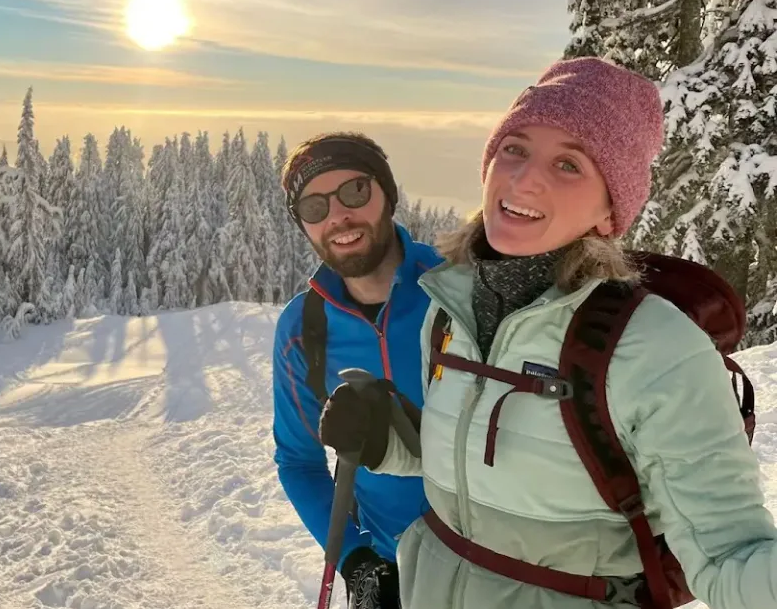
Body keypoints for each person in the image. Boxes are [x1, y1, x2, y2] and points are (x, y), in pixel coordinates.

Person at [318, 56, 777, 609]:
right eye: (515, 148)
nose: (526, 177)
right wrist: (388, 441)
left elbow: (730, 555)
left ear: (610, 212)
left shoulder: (655, 346)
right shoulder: (450, 303)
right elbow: (480, 462)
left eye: (569, 165)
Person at [271, 131, 444, 608]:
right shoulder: (304, 328)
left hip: (494, 561)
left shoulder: (459, 290)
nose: (338, 217)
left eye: (354, 192)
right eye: (314, 207)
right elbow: (298, 461)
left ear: (386, 193)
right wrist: (354, 557)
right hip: (390, 568)